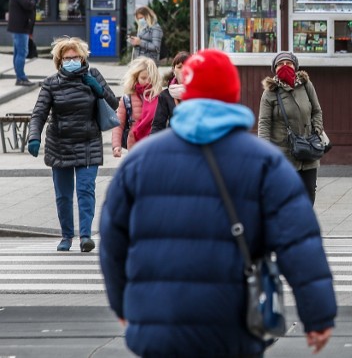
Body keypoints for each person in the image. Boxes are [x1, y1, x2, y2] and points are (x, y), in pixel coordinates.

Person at [99, 49, 336, 357]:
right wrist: (318, 316)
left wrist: (122, 304)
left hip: (159, 321)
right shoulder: (265, 163)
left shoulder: (142, 161)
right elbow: (300, 243)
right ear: (233, 94)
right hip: (233, 323)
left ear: (189, 95)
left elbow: (113, 242)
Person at [27, 37, 118, 252]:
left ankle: (85, 235)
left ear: (83, 57)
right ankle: (66, 236)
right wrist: (34, 136)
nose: (72, 60)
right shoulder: (51, 83)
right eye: (68, 58)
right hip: (60, 145)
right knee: (64, 195)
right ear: (60, 61)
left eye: (76, 57)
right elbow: (39, 113)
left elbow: (114, 103)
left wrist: (98, 89)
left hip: (88, 143)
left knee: (86, 190)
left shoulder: (93, 75)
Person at [258, 51, 325, 204]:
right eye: (280, 64)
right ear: (274, 68)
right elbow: (264, 123)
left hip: (308, 149)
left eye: (289, 63)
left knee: (309, 192)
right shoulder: (270, 92)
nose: (285, 66)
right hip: (283, 153)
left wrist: (317, 130)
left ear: (295, 66)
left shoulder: (306, 85)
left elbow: (317, 110)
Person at [112, 57, 162, 156]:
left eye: (150, 78)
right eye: (143, 78)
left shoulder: (161, 97)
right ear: (136, 78)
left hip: (157, 146)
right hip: (134, 147)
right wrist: (116, 145)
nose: (147, 81)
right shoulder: (127, 99)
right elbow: (118, 124)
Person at [7, 0, 42, 86]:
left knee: (18, 53)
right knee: (22, 53)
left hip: (22, 28)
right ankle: (21, 78)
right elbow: (28, 6)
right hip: (20, 29)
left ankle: (20, 77)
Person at [150, 51, 189, 134]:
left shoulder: (200, 93)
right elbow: (158, 125)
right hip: (174, 139)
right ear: (174, 70)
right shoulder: (165, 95)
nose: (183, 70)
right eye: (179, 67)